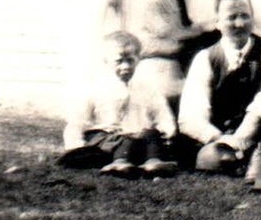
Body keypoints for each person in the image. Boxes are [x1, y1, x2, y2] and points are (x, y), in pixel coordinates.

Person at [177, 0, 261, 191]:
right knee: (208, 156)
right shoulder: (206, 57)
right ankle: (237, 159)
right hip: (225, 133)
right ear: (217, 22)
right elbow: (190, 114)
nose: (239, 23)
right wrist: (219, 138)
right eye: (231, 17)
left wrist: (250, 125)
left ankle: (259, 157)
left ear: (253, 19)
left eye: (245, 16)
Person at [58, 30, 178, 178]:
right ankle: (118, 163)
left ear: (138, 59)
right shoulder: (96, 87)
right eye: (119, 61)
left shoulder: (146, 87)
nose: (126, 66)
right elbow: (78, 121)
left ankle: (153, 162)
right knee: (124, 138)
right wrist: (75, 146)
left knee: (151, 134)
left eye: (130, 60)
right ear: (106, 61)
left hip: (137, 140)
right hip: (107, 140)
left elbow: (161, 112)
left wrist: (167, 129)